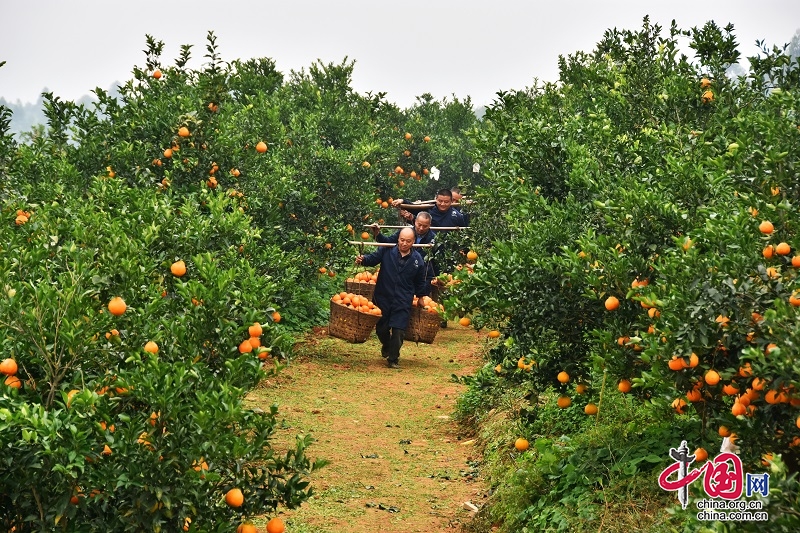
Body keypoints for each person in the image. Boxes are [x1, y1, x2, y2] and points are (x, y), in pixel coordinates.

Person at [355, 227, 430, 369]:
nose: (404, 243)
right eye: (402, 240)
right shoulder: (387, 250)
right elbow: (373, 259)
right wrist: (363, 260)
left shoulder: (417, 260)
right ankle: (387, 345)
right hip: (383, 296)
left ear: (413, 241)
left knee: (399, 330)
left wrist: (420, 296)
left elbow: (420, 280)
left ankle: (393, 359)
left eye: (408, 241)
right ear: (398, 239)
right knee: (381, 329)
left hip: (403, 298)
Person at [392, 188, 468, 228]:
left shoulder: (457, 216)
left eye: (446, 202)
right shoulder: (429, 209)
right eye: (440, 201)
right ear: (436, 199)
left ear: (451, 201)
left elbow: (464, 232)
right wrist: (402, 201)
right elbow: (414, 208)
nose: (443, 204)